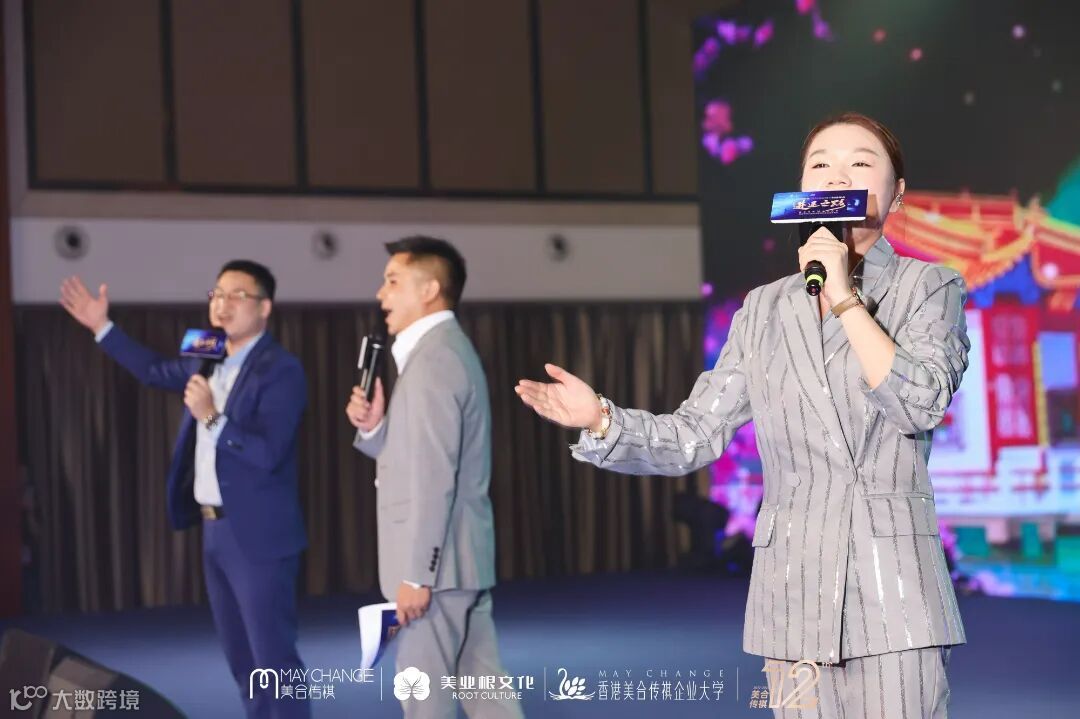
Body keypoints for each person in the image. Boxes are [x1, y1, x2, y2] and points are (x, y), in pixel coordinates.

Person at [515, 112, 968, 718]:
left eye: (860, 163)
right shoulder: (762, 310)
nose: (838, 175)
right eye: (820, 165)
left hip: (894, 591)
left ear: (897, 191)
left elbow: (920, 402)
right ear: (802, 189)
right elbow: (695, 434)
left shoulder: (929, 287)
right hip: (793, 593)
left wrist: (844, 298)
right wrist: (600, 419)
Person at [59, 261, 309, 719]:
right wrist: (101, 327)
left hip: (258, 535)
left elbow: (268, 452)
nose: (222, 304)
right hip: (213, 530)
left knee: (274, 660)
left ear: (265, 307)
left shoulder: (282, 370)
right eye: (217, 294)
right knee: (242, 661)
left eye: (237, 295)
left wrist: (211, 417)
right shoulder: (206, 351)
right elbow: (155, 370)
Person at [346, 236, 523, 719]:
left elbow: (434, 479)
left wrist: (416, 575)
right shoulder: (441, 352)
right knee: (489, 698)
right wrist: (376, 428)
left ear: (429, 290)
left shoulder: (434, 360)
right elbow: (421, 461)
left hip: (437, 573)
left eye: (392, 281)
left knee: (426, 702)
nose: (381, 294)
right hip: (459, 565)